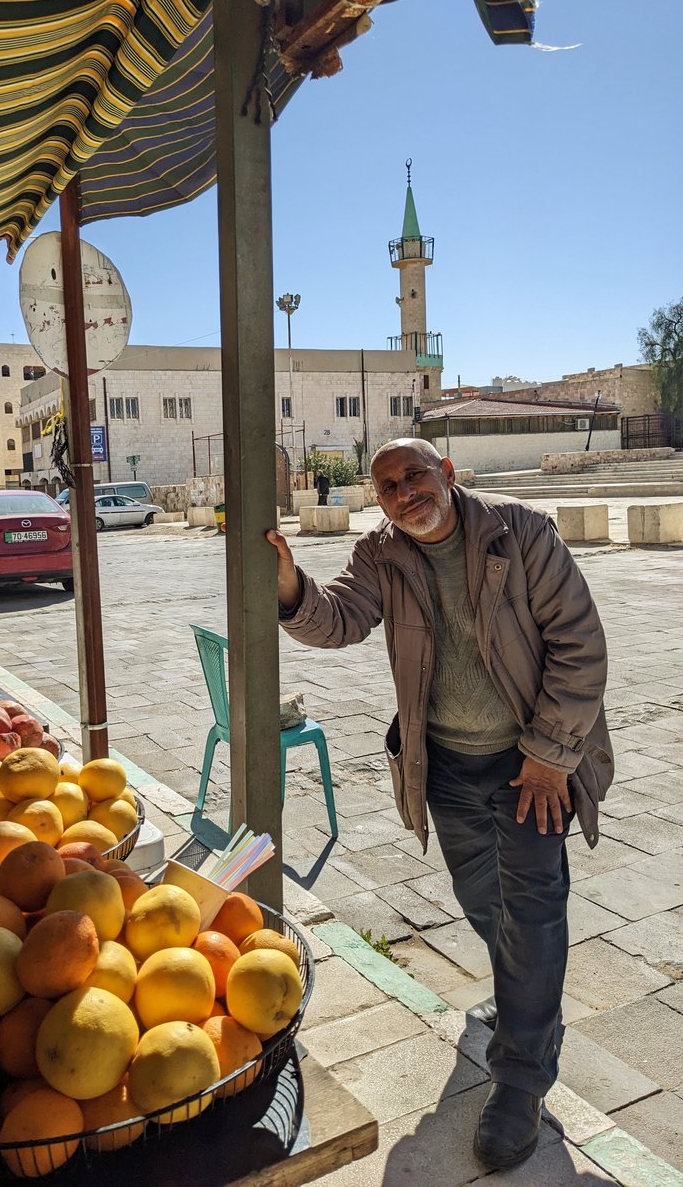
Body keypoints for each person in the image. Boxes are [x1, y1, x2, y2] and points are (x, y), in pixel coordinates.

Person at [267, 438, 612, 1171]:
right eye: (387, 485)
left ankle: (520, 1078)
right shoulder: (381, 555)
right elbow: (339, 619)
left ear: (448, 473)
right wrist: (291, 587)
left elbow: (580, 643)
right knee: (481, 898)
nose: (403, 492)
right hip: (447, 765)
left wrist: (551, 757)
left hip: (528, 765)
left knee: (532, 906)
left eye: (415, 475)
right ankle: (526, 999)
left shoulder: (520, 533)